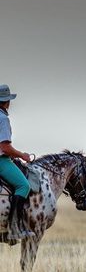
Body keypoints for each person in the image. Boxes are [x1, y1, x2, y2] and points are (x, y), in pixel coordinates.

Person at [0, 84, 34, 240]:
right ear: (7, 102)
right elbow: (5, 147)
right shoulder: (3, 118)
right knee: (23, 185)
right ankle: (14, 229)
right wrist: (22, 156)